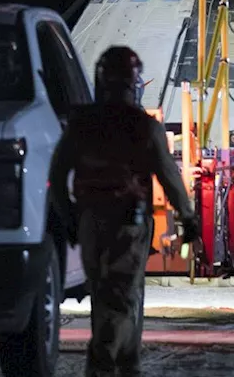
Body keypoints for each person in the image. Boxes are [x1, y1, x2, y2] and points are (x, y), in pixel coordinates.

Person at [49, 46, 202, 377]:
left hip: (90, 221)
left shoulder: (82, 124)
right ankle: (101, 367)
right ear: (134, 82)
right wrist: (188, 219)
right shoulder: (143, 127)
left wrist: (70, 217)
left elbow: (57, 176)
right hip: (128, 225)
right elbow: (170, 178)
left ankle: (128, 365)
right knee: (121, 298)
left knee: (105, 296)